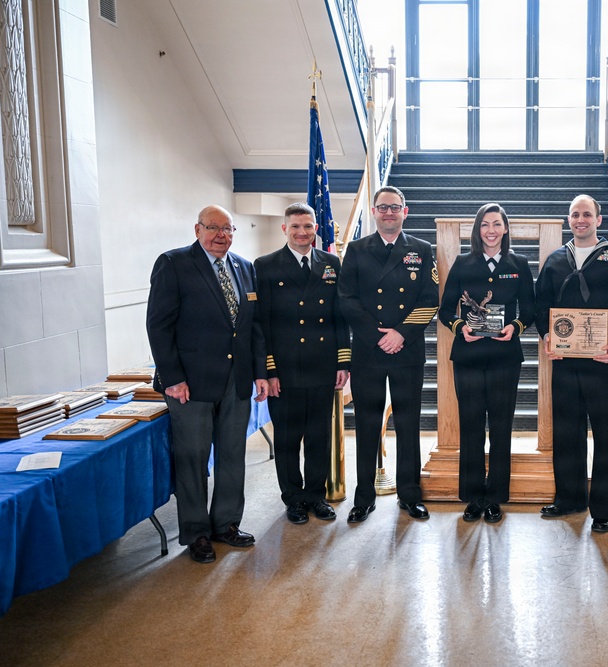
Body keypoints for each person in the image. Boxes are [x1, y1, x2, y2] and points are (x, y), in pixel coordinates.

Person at [146, 205, 268, 563]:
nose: (221, 235)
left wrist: (260, 372)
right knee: (193, 459)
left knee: (232, 455)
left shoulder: (244, 267)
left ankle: (226, 524)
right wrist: (172, 378)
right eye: (213, 228)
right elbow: (158, 325)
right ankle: (196, 533)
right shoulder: (174, 263)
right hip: (190, 384)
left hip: (237, 379)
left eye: (228, 229)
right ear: (197, 229)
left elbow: (254, 326)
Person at [535, 194, 608, 533]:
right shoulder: (555, 260)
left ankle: (603, 509)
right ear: (569, 219)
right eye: (575, 214)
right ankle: (569, 498)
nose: (581, 220)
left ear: (598, 220)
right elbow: (541, 306)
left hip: (602, 363)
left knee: (605, 436)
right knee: (566, 433)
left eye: (587, 214)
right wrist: (547, 336)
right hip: (564, 363)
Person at [339, 186, 438, 522]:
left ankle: (410, 494)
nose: (389, 213)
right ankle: (364, 497)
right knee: (366, 424)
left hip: (406, 350)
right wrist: (376, 335)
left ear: (405, 212)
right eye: (383, 207)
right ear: (374, 211)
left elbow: (430, 300)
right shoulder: (356, 249)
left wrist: (400, 334)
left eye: (395, 207)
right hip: (368, 351)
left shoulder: (421, 249)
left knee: (408, 424)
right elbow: (346, 299)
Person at [254, 203, 351, 525]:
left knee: (318, 438)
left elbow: (339, 316)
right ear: (285, 229)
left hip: (322, 366)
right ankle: (293, 499)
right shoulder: (266, 265)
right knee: (287, 439)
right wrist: (269, 370)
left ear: (315, 229)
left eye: (308, 226)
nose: (302, 232)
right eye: (295, 226)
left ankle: (316, 496)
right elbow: (262, 323)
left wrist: (342, 361)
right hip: (285, 370)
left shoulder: (330, 263)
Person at [440, 203, 536, 524]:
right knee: (470, 427)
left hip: (505, 359)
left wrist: (515, 328)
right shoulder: (462, 263)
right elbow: (445, 311)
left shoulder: (519, 264)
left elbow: (530, 311)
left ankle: (495, 496)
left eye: (496, 224)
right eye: (484, 224)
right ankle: (472, 496)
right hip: (467, 357)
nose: (490, 230)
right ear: (477, 230)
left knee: (500, 427)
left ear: (505, 228)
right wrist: (460, 327)